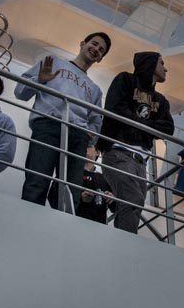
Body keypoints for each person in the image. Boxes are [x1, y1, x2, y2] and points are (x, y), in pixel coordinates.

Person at [15, 32, 110, 210]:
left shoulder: (95, 90)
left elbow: (96, 120)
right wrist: (39, 80)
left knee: (70, 190)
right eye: (94, 43)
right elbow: (20, 92)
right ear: (82, 43)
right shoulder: (54, 63)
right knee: (37, 180)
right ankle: (27, 224)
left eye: (101, 50)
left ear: (100, 59)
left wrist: (89, 136)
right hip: (48, 124)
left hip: (78, 136)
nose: (96, 49)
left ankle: (63, 228)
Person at [97, 52, 174, 233]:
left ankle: (120, 240)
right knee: (133, 199)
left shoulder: (161, 100)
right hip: (118, 152)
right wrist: (149, 126)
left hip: (141, 162)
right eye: (161, 63)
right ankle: (127, 244)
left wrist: (136, 122)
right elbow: (115, 109)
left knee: (133, 204)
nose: (165, 68)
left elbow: (168, 128)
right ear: (149, 64)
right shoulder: (125, 80)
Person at [73, 144, 113, 223]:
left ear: (97, 152)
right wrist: (80, 197)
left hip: (98, 225)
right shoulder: (70, 172)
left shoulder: (104, 178)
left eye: (89, 146)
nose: (84, 147)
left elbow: (115, 208)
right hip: (74, 221)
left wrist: (111, 198)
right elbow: (54, 194)